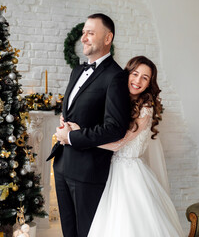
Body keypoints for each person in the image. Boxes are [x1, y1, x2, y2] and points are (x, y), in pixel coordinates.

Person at [67, 56, 184, 237]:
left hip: (129, 173)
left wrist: (77, 136)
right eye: (135, 74)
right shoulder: (118, 100)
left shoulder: (145, 107)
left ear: (149, 83)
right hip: (109, 169)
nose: (137, 81)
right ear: (127, 74)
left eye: (145, 78)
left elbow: (118, 144)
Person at [46, 13, 130, 237]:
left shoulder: (116, 77)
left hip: (87, 172)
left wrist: (71, 137)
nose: (83, 37)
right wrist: (64, 124)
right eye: (83, 32)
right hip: (62, 165)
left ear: (107, 38)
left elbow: (115, 127)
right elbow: (75, 112)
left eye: (90, 33)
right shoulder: (77, 71)